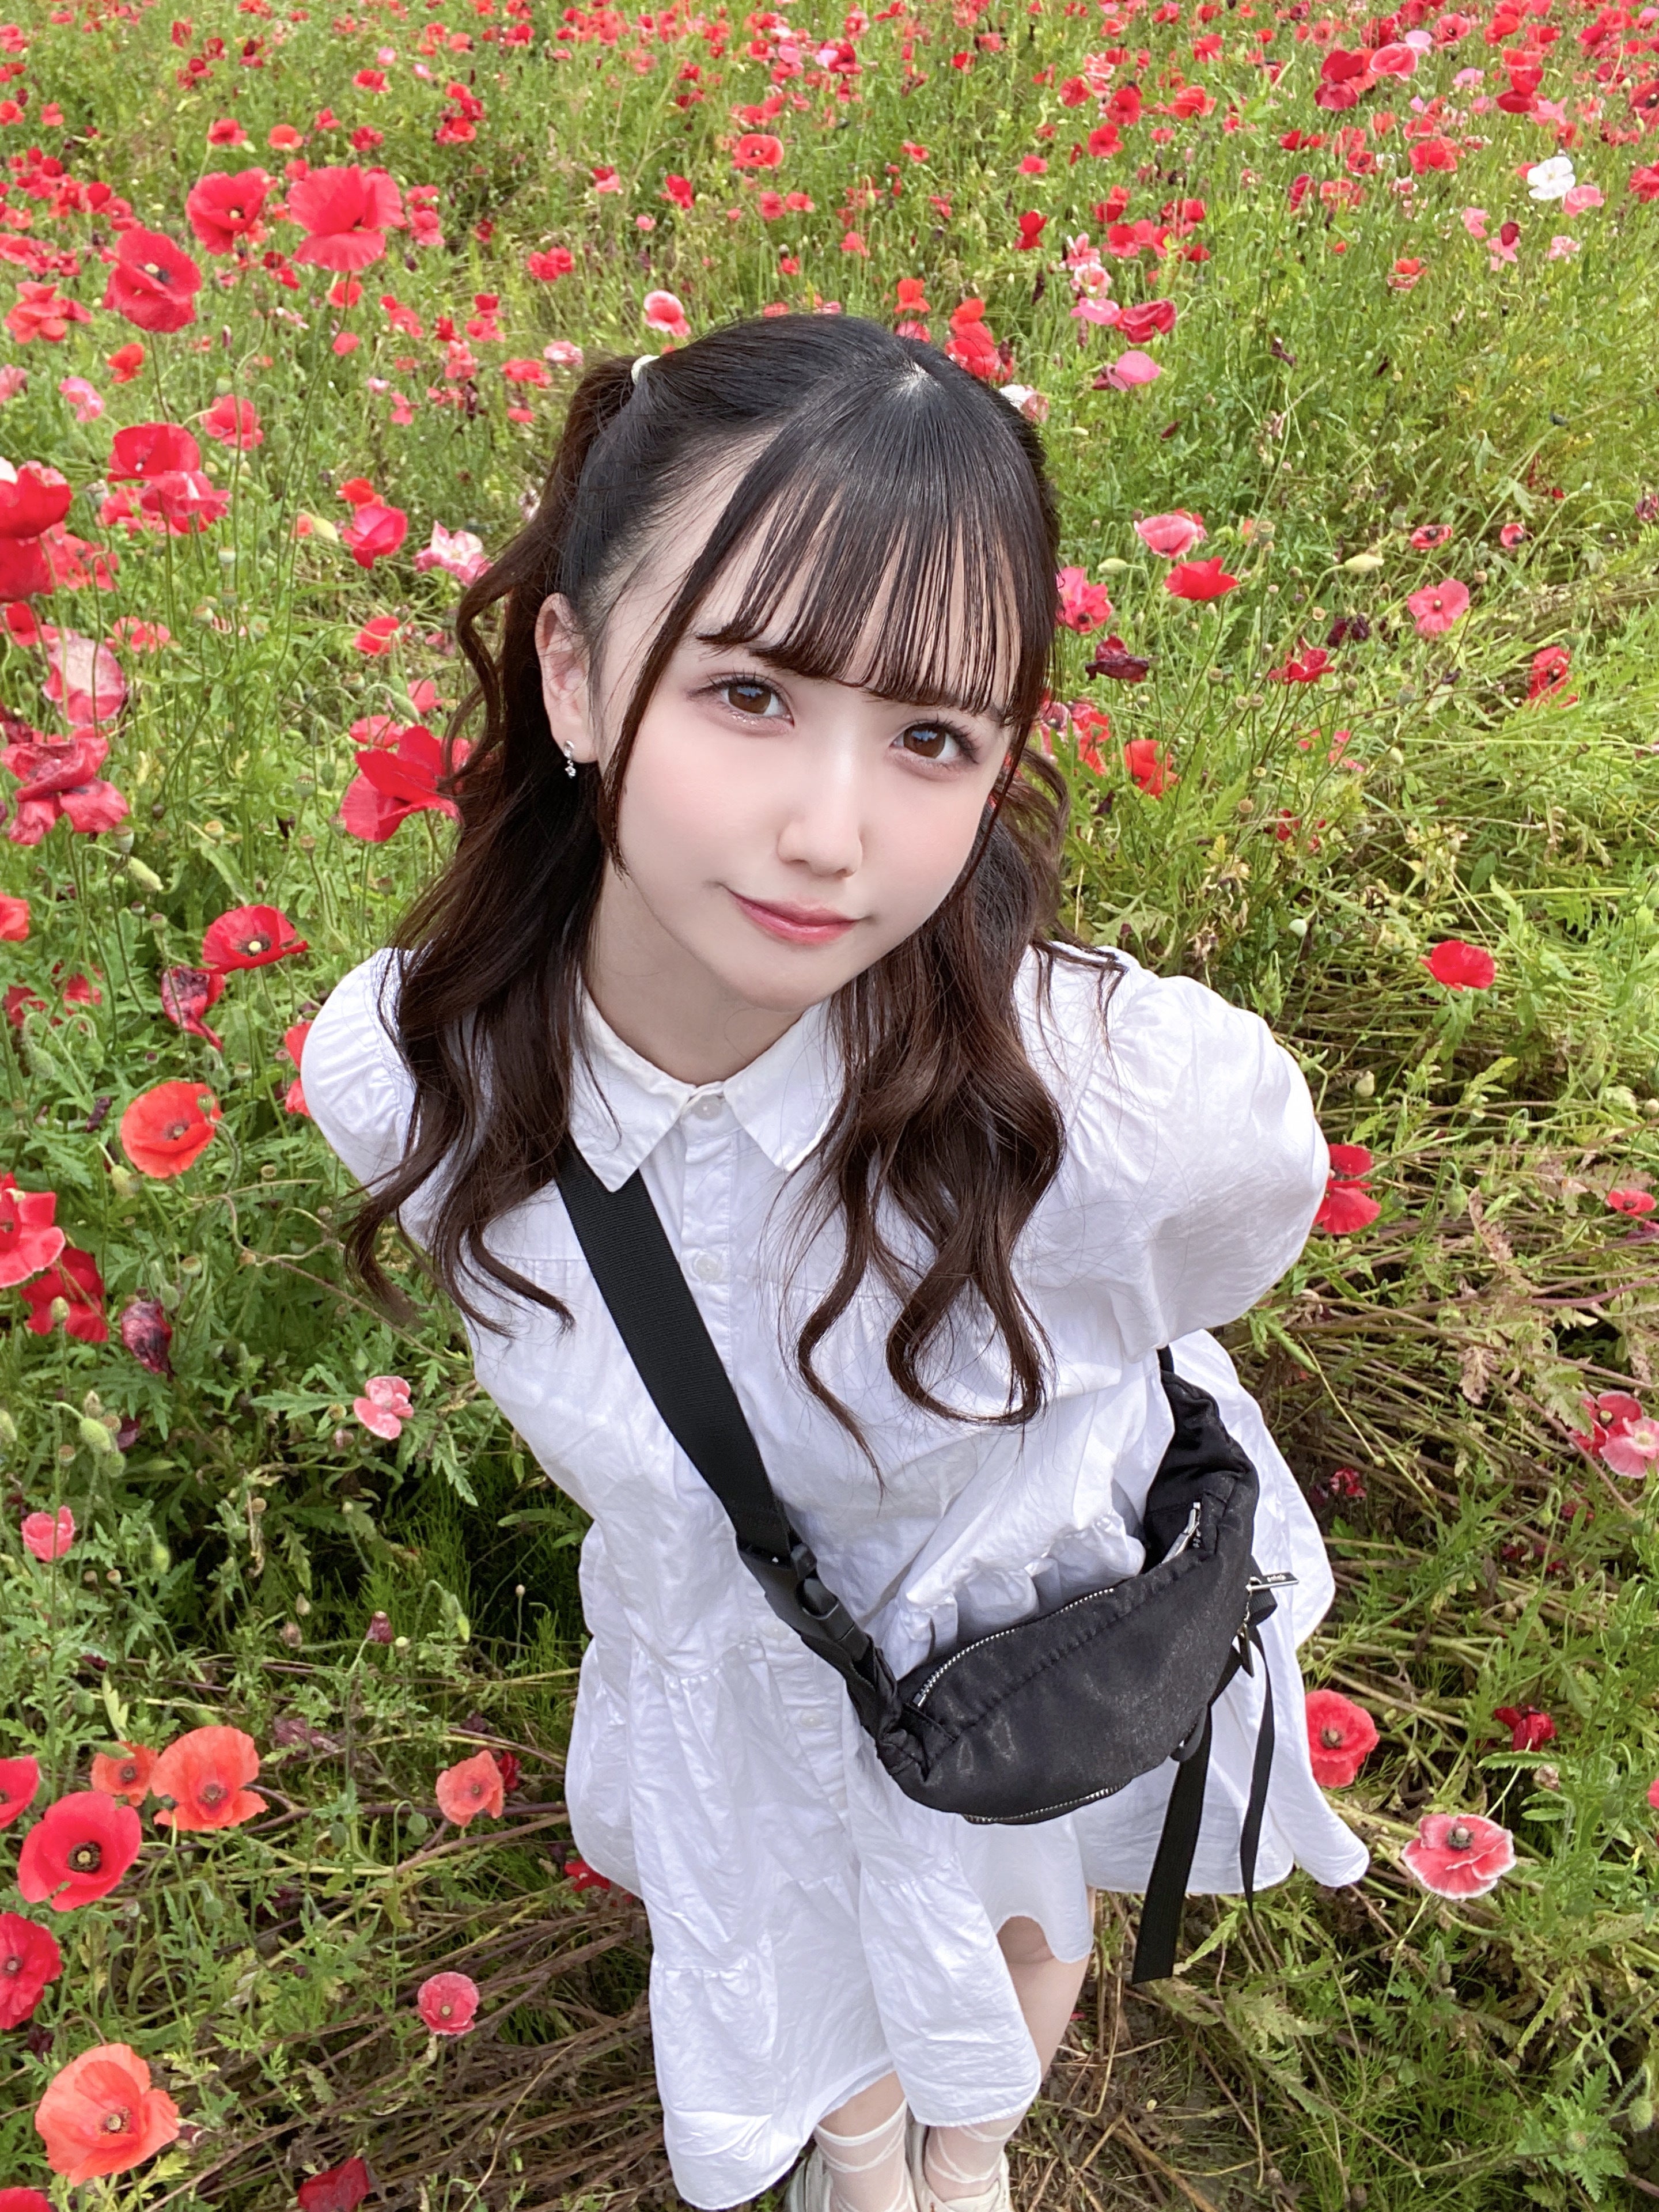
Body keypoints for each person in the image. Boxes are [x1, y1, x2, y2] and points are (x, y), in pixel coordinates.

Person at [302, 310, 1369, 2212]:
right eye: (750, 694)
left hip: (1024, 1616)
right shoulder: (410, 1071)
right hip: (738, 1639)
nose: (831, 835)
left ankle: (968, 2150)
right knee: (788, 1908)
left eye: (932, 737)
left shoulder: (1123, 1110)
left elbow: (1216, 1252)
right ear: (573, 674)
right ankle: (861, 2145)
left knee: (1014, 1892)